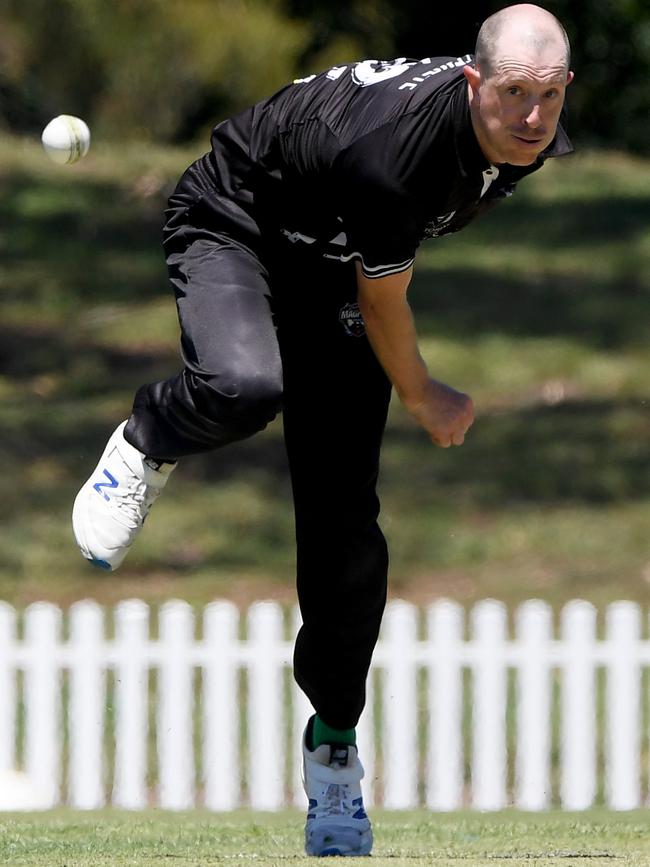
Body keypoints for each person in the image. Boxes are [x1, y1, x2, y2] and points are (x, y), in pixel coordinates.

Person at [73, 3, 573, 856]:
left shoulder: (519, 131)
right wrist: (423, 395)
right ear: (472, 81)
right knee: (243, 384)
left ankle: (334, 746)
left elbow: (371, 273)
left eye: (551, 95)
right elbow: (386, 303)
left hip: (334, 260)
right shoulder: (397, 160)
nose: (533, 118)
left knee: (346, 528)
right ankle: (150, 435)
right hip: (239, 225)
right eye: (516, 94)